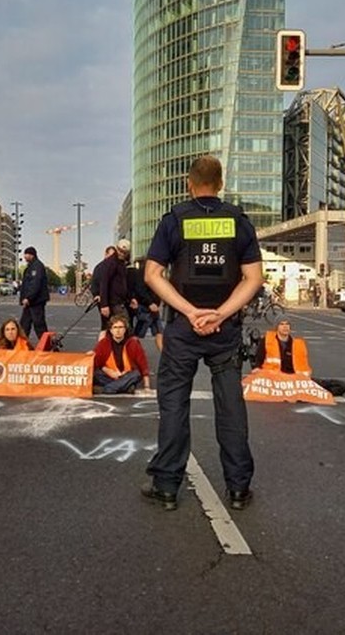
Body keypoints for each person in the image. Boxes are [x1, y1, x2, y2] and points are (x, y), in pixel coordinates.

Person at [142, 155, 263, 512]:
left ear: (188, 184)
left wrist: (190, 311)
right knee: (230, 407)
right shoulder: (239, 221)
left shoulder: (175, 220)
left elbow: (152, 274)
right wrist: (221, 314)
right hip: (225, 330)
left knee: (174, 405)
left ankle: (166, 486)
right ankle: (239, 488)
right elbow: (253, 278)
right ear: (221, 183)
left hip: (183, 327)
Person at [253, 316, 345, 396]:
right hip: (275, 381)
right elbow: (259, 360)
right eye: (282, 324)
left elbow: (303, 366)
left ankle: (316, 393)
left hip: (296, 381)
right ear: (276, 327)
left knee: (341, 386)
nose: (285, 327)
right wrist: (257, 369)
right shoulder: (267, 341)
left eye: (287, 324)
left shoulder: (298, 344)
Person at [93, 314, 151, 394]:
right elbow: (96, 363)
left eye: (121, 327)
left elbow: (143, 364)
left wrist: (147, 386)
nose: (118, 330)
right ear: (110, 330)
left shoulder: (133, 343)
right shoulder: (104, 343)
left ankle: (107, 389)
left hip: (127, 375)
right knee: (95, 373)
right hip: (109, 375)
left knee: (136, 374)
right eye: (115, 327)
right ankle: (125, 387)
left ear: (125, 329)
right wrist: (107, 370)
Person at [98, 240, 131, 336]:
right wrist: (104, 305)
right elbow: (104, 282)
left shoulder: (120, 262)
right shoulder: (111, 263)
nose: (121, 253)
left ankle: (107, 349)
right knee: (124, 328)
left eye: (124, 252)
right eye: (120, 250)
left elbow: (123, 283)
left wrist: (130, 297)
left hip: (118, 302)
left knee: (111, 329)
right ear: (117, 248)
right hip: (113, 303)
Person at [19, 246, 49, 341]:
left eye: (26, 254)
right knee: (24, 324)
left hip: (36, 301)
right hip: (31, 302)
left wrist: (28, 298)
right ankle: (21, 344)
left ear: (31, 255)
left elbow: (35, 284)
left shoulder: (37, 267)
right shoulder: (31, 266)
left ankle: (49, 346)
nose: (24, 256)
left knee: (39, 325)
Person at [90, 245, 116, 339]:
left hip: (112, 300)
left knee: (112, 326)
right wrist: (96, 295)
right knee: (106, 325)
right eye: (111, 255)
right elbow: (95, 283)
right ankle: (101, 349)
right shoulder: (100, 267)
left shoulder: (110, 266)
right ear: (105, 254)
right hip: (104, 300)